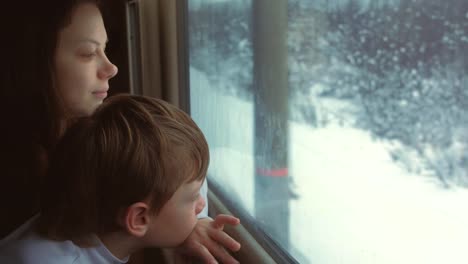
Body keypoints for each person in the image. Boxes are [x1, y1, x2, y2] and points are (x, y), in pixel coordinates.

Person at [0, 1, 240, 263]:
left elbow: (182, 169)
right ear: (31, 63)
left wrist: (188, 222)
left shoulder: (100, 142)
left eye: (105, 48)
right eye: (88, 53)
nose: (112, 68)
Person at [0, 94, 237, 263]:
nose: (201, 204)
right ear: (139, 218)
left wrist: (196, 223)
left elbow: (188, 183)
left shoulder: (86, 221)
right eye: (194, 199)